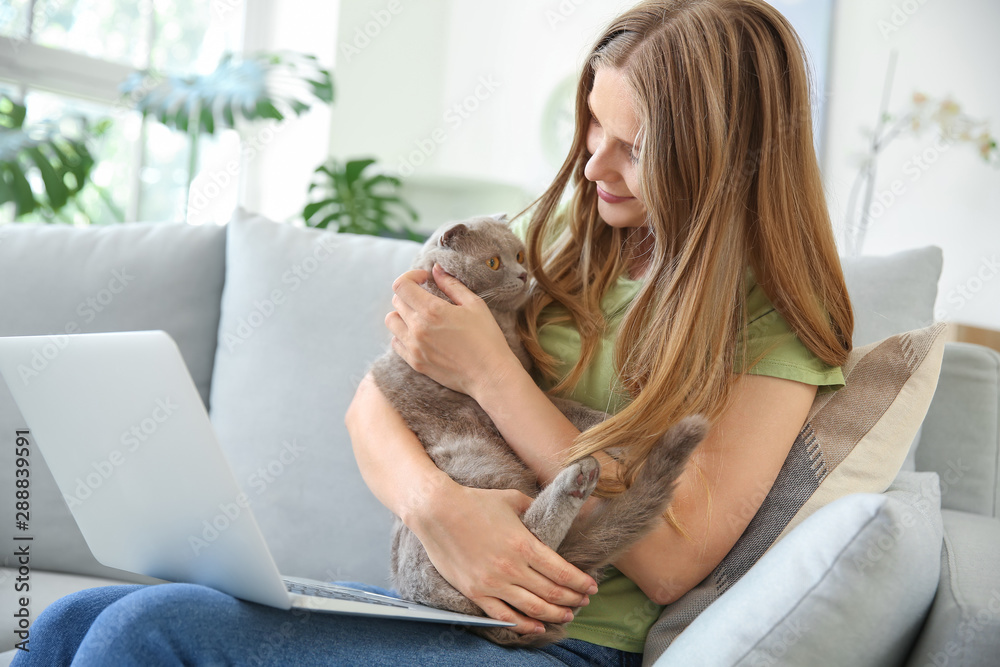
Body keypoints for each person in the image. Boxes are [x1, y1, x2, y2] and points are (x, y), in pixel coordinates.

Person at [13, 1, 852, 665]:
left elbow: (671, 559)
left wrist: (496, 375)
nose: (594, 163)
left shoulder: (779, 317)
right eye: (592, 124)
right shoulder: (567, 243)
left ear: (721, 155)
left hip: (567, 644)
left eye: (632, 147)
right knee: (74, 619)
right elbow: (371, 406)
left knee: (147, 634)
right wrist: (439, 507)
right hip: (435, 599)